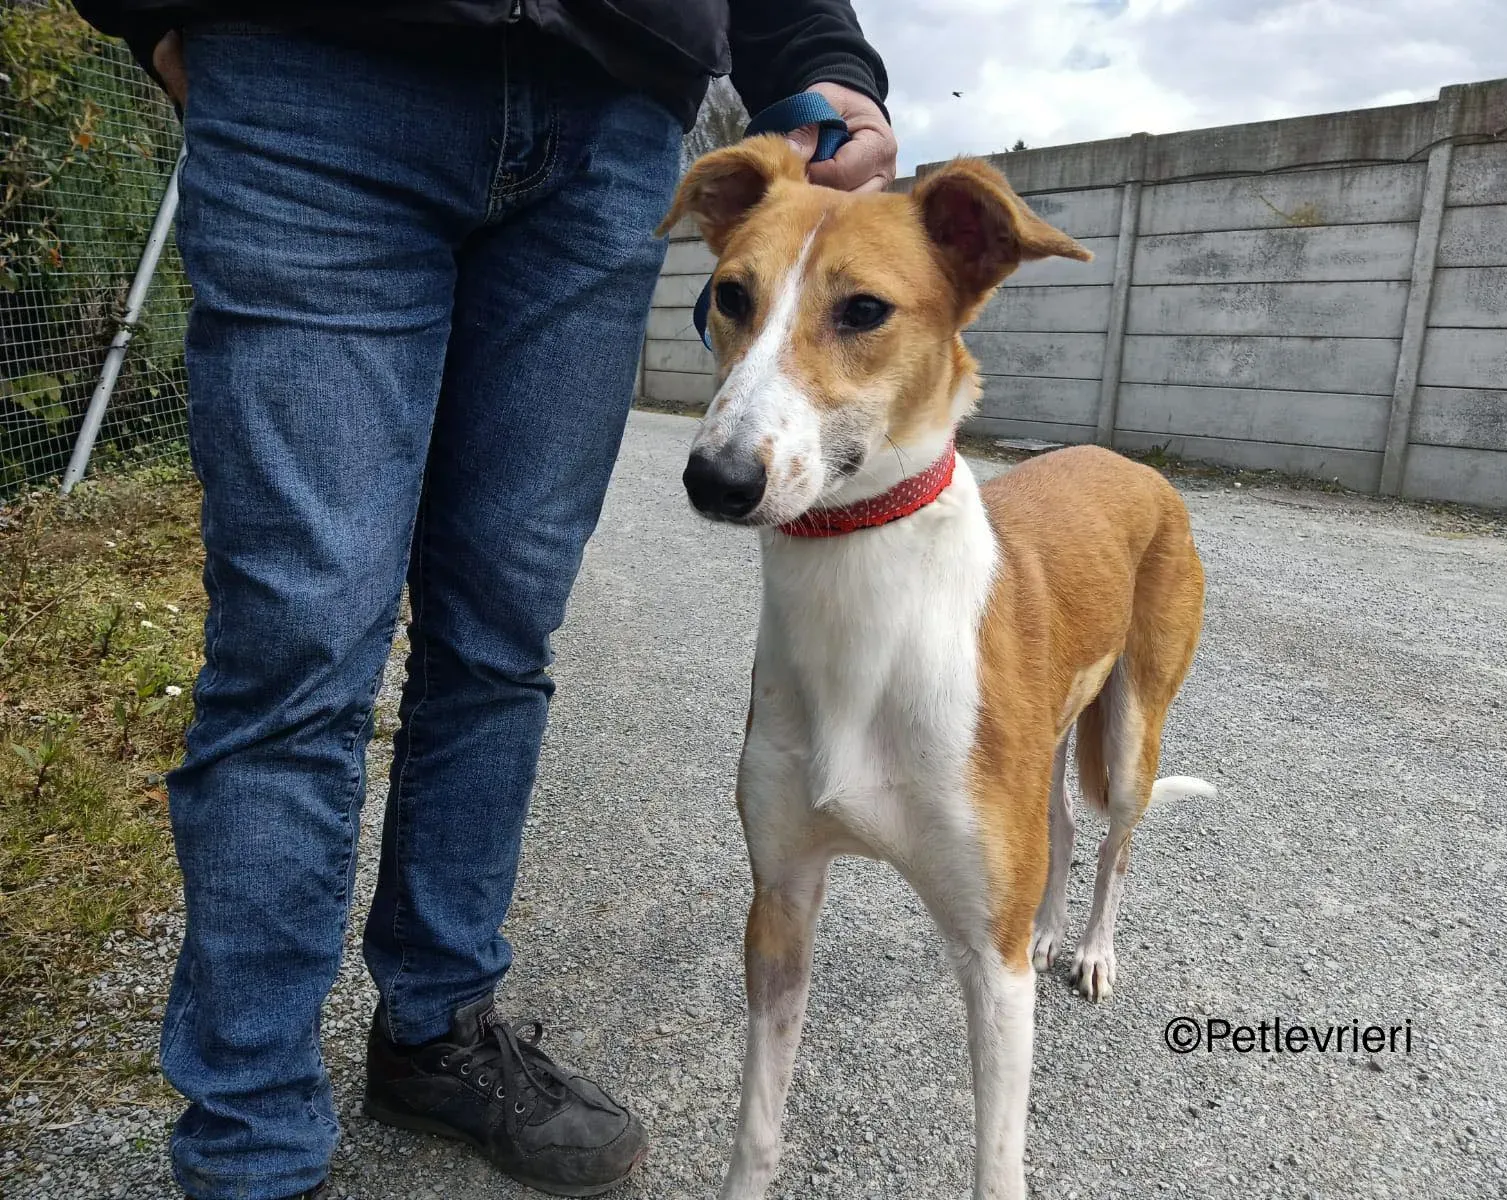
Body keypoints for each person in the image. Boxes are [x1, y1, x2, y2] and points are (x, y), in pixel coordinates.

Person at [68, 3, 896, 1197]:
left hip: (611, 121)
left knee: (502, 636)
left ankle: (435, 1029)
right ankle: (250, 1137)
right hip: (314, 72)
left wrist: (823, 65)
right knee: (297, 640)